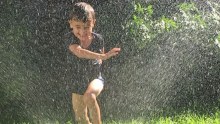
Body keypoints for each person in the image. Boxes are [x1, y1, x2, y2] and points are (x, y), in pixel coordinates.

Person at [67, 2, 120, 124]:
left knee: (89, 97)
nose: (82, 31)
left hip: (95, 78)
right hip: (77, 80)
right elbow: (79, 52)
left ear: (93, 23)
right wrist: (103, 56)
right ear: (70, 24)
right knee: (81, 119)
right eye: (78, 27)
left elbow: (100, 61)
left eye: (86, 27)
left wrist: (101, 58)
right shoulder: (70, 38)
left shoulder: (98, 39)